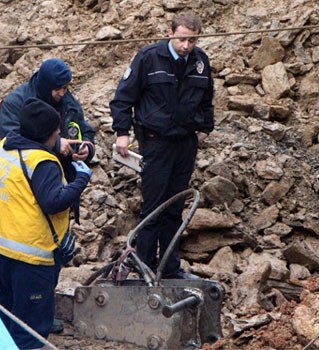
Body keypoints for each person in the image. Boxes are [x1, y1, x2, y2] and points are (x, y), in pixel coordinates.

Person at [0, 98, 92, 349]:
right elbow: (53, 202)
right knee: (29, 331)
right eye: (56, 133)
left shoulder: (4, 146)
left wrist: (59, 145)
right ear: (46, 135)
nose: (59, 135)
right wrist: (81, 179)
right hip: (26, 258)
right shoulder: (43, 163)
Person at [110, 12, 214, 279]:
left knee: (174, 207)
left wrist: (205, 127)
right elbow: (123, 97)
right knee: (154, 206)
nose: (186, 46)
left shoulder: (201, 62)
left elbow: (206, 99)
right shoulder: (149, 58)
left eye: (192, 41)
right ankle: (143, 264)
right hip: (156, 142)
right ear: (170, 33)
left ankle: (169, 267)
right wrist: (122, 132)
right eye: (182, 39)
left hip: (185, 143)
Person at [0, 58, 95, 184]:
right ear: (46, 86)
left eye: (65, 88)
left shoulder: (68, 102)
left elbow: (85, 129)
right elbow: (11, 140)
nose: (62, 93)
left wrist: (87, 149)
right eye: (57, 89)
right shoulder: (15, 104)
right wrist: (56, 144)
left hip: (64, 178)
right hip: (28, 179)